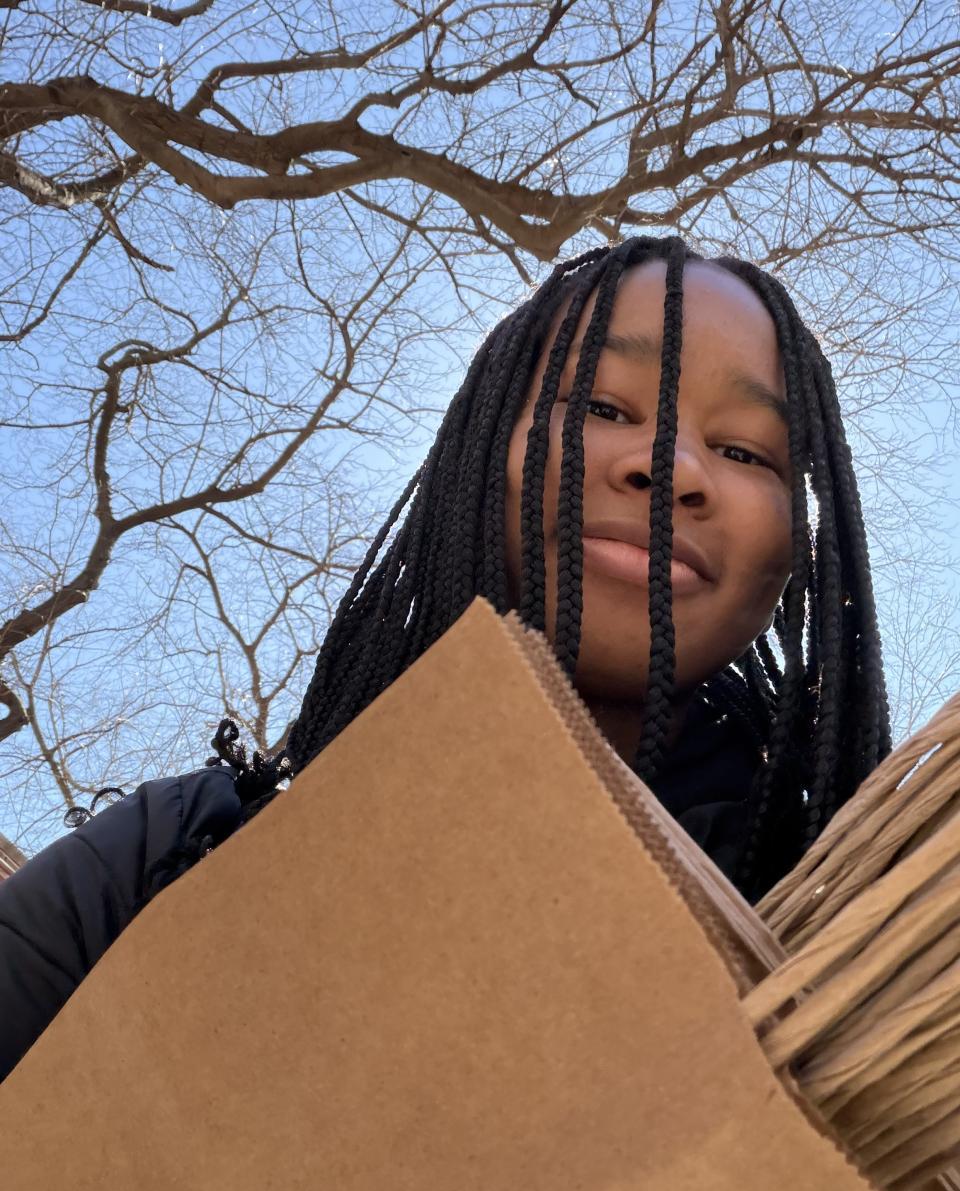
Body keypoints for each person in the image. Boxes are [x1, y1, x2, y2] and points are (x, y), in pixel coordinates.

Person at [0, 235, 890, 1083]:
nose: (672, 466)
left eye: (742, 451)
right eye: (602, 407)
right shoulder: (173, 854)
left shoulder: (866, 941)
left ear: (801, 549)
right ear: (479, 448)